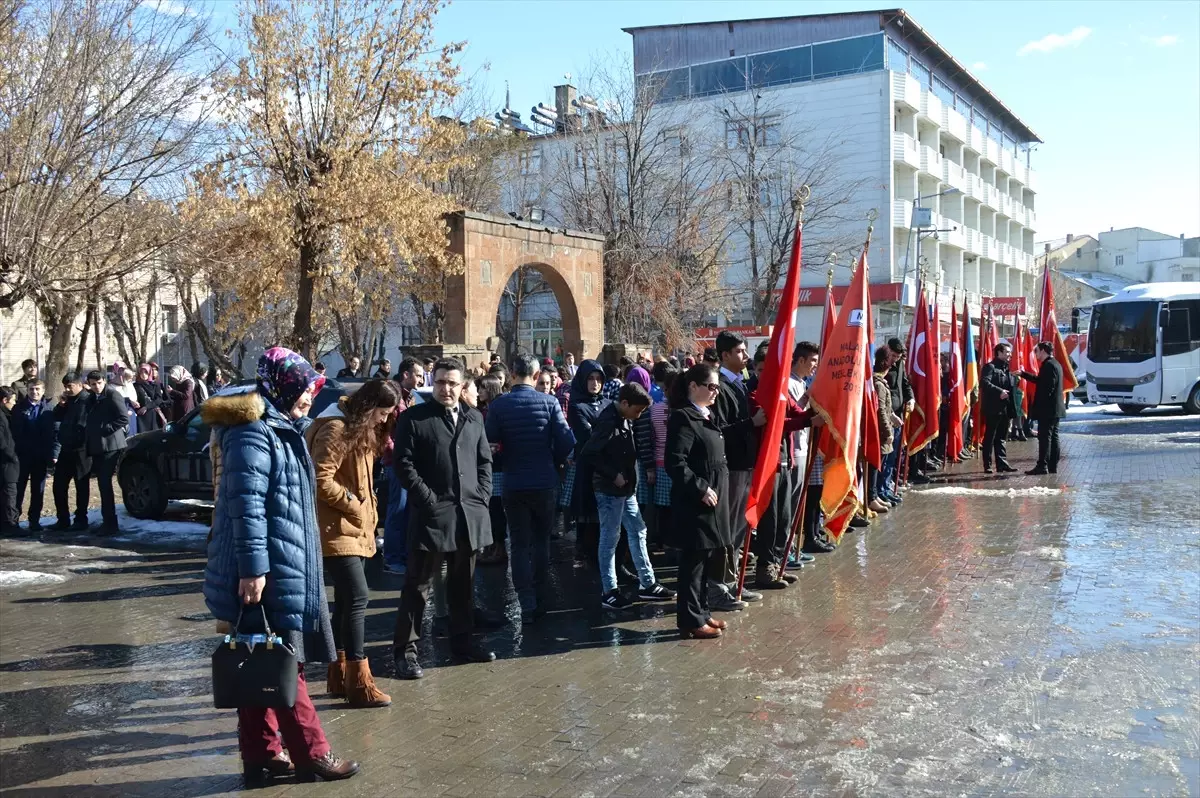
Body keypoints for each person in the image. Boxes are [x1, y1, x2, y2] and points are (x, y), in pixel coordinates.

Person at [202, 347, 357, 785]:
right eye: (305, 386)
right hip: (265, 570)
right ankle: (313, 754)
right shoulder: (252, 432)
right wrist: (254, 569)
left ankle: (262, 755)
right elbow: (245, 507)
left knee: (259, 661)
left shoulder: (278, 425)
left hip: (280, 563)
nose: (310, 395)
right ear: (283, 384)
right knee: (287, 663)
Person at [391, 358, 495, 679]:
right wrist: (428, 500)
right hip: (432, 517)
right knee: (418, 586)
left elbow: (483, 463)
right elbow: (404, 464)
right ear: (431, 383)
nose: (445, 389)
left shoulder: (474, 417)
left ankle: (462, 644)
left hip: (469, 515)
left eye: (452, 383)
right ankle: (406, 653)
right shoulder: (414, 418)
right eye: (439, 382)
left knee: (463, 584)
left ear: (462, 385)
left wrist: (481, 496)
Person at [305, 379, 400, 709]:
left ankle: (340, 674)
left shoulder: (355, 427)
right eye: (382, 413)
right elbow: (319, 478)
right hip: (336, 529)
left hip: (355, 528)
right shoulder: (335, 428)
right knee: (358, 596)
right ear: (369, 408)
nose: (383, 420)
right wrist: (352, 503)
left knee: (346, 601)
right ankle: (359, 682)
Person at [485, 355, 575, 623]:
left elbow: (490, 441)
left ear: (512, 374)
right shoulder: (549, 403)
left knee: (520, 544)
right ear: (536, 376)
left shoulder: (499, 405)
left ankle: (526, 602)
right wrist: (555, 460)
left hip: (514, 483)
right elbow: (566, 440)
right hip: (544, 481)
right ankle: (541, 594)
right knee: (541, 541)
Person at [582, 382, 673, 609]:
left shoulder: (622, 417)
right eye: (637, 411)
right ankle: (609, 591)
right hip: (610, 490)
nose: (638, 415)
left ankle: (647, 583)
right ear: (624, 403)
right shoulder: (608, 421)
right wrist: (613, 475)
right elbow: (589, 453)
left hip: (625, 489)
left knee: (638, 531)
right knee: (610, 538)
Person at [665, 363, 731, 639]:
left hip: (712, 501)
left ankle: (702, 611)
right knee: (692, 563)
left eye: (718, 387)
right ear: (694, 386)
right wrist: (700, 488)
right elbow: (675, 461)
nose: (716, 392)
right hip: (696, 502)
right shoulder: (683, 417)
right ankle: (690, 619)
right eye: (711, 387)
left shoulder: (706, 415)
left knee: (705, 559)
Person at [711, 331, 767, 610]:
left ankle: (734, 584)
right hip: (731, 466)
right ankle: (719, 589)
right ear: (724, 356)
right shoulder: (718, 386)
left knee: (740, 529)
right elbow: (719, 429)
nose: (746, 357)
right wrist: (751, 423)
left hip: (745, 463)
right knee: (728, 529)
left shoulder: (741, 383)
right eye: (740, 352)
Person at [566, 359, 609, 570]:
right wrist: (607, 433)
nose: (594, 383)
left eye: (598, 379)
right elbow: (587, 436)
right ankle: (584, 551)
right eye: (590, 379)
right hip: (587, 464)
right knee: (587, 509)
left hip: (608, 465)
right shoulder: (576, 405)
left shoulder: (608, 403)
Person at [84, 370, 129, 533]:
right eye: (93, 384)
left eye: (99, 383)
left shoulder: (112, 394)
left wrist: (106, 429)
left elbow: (124, 417)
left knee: (105, 483)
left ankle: (111, 523)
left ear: (104, 381)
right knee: (103, 485)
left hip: (111, 445)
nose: (96, 387)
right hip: (98, 445)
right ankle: (107, 521)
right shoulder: (92, 397)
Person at [11, 380, 58, 532]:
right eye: (31, 389)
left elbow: (54, 433)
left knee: (38, 490)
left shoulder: (49, 409)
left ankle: (34, 520)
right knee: (18, 490)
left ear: (43, 391)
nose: (34, 392)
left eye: (38, 389)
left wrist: (52, 454)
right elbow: (15, 432)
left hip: (40, 457)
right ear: (27, 390)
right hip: (22, 456)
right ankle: (14, 520)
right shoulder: (19, 408)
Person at [51, 373, 91, 531]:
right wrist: (61, 405)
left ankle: (81, 519)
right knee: (59, 485)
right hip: (66, 448)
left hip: (81, 450)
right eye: (65, 387)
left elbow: (83, 425)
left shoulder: (86, 400)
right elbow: (56, 416)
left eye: (70, 386)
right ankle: (63, 519)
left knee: (81, 485)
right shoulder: (69, 400)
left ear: (79, 385)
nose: (67, 389)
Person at [1021, 342, 1066, 475]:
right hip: (1054, 409)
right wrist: (1023, 374)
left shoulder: (1049, 365)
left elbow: (1047, 388)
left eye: (1037, 351)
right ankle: (1052, 465)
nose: (1036, 354)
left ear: (1043, 351)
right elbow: (1041, 381)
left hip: (1048, 410)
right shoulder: (1054, 364)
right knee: (1052, 437)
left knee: (1046, 437)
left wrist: (1039, 406)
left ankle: (1043, 465)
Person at [980, 343, 1019, 474]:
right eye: (1007, 352)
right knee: (990, 437)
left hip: (1005, 408)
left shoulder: (1007, 368)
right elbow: (984, 383)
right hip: (993, 408)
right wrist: (999, 391)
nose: (1009, 355)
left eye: (1009, 352)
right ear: (999, 353)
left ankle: (1002, 463)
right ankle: (987, 465)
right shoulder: (990, 367)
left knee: (1002, 437)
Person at [869, 349, 899, 512]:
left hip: (882, 429)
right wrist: (887, 432)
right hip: (879, 433)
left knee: (879, 465)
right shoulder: (878, 384)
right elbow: (880, 409)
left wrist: (893, 417)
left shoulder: (881, 382)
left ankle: (875, 495)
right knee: (874, 466)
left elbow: (886, 409)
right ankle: (871, 497)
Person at [0, 387, 18, 534]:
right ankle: (10, 524)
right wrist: (12, 455)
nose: (14, 404)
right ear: (5, 400)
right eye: (13, 401)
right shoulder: (1, 417)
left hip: (6, 461)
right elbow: (2, 441)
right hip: (6, 462)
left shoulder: (5, 415)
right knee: (9, 493)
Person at [133, 363, 169, 432]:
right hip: (141, 416)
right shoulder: (135, 385)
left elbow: (159, 399)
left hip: (153, 415)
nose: (143, 374)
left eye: (146, 372)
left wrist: (146, 407)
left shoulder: (155, 385)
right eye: (141, 372)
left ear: (149, 373)